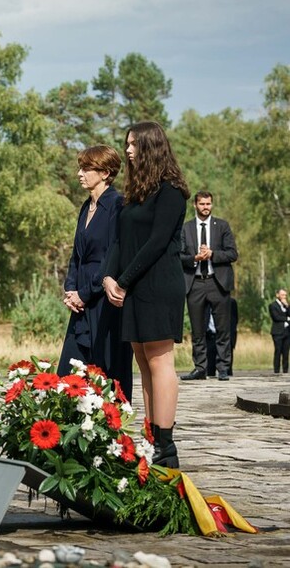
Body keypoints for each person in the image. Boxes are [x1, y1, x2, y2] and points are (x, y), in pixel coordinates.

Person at [103, 121, 189, 469]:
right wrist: (110, 276)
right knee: (142, 361)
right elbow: (120, 240)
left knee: (159, 361)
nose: (128, 150)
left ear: (151, 146)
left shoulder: (171, 192)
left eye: (134, 144)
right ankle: (152, 437)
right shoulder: (134, 193)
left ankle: (166, 444)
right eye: (127, 144)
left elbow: (155, 244)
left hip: (157, 285)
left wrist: (123, 280)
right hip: (132, 285)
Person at [58, 145, 133, 400]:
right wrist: (70, 289)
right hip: (80, 300)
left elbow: (113, 254)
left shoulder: (117, 204)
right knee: (70, 373)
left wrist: (86, 293)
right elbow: (77, 254)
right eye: (80, 167)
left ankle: (112, 433)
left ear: (105, 172)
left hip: (104, 299)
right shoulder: (84, 207)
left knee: (107, 372)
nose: (80, 173)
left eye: (86, 168)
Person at [179, 191, 238, 382]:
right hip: (195, 282)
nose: (206, 207)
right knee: (198, 330)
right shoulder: (186, 229)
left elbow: (232, 254)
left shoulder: (222, 226)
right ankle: (200, 368)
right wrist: (194, 258)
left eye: (209, 204)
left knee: (223, 329)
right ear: (195, 205)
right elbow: (178, 256)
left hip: (217, 282)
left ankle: (223, 368)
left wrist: (212, 254)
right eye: (202, 204)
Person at [270, 289, 289, 374]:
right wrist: (287, 319)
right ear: (277, 295)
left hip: (287, 332)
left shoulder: (286, 306)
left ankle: (285, 370)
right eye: (282, 295)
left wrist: (287, 306)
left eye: (285, 295)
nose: (284, 297)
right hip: (277, 332)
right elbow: (276, 317)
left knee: (286, 352)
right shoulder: (273, 305)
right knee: (278, 351)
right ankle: (276, 371)